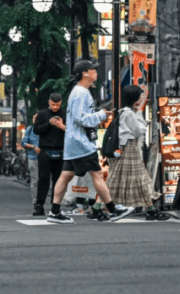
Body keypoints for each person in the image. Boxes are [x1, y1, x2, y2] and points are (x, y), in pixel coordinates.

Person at [46, 60, 134, 224]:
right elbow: (81, 118)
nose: (96, 73)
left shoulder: (78, 91)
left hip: (73, 141)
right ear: (85, 73)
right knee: (97, 174)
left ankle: (55, 212)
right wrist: (100, 115)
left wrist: (98, 115)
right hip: (81, 142)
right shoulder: (81, 93)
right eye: (93, 70)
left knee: (65, 176)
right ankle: (113, 210)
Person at [106, 85, 166, 220]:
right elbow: (140, 130)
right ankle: (151, 211)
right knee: (138, 179)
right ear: (135, 98)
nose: (141, 98)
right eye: (140, 96)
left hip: (126, 148)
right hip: (129, 148)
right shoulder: (129, 113)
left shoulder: (125, 112)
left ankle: (151, 210)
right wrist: (139, 113)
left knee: (118, 179)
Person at [32, 92, 66, 216]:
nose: (55, 107)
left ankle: (55, 206)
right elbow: (36, 130)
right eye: (53, 104)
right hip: (45, 150)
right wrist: (49, 123)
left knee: (58, 180)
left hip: (61, 149)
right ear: (49, 102)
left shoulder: (65, 113)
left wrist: (61, 125)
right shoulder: (42, 114)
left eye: (57, 105)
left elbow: (70, 131)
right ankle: (39, 205)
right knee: (43, 179)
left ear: (61, 103)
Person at [20, 115, 41, 210]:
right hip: (32, 157)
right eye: (33, 118)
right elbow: (23, 142)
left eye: (37, 118)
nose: (35, 120)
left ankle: (42, 199)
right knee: (35, 180)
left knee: (44, 180)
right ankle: (35, 200)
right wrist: (33, 147)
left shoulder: (45, 129)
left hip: (44, 157)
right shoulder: (30, 129)